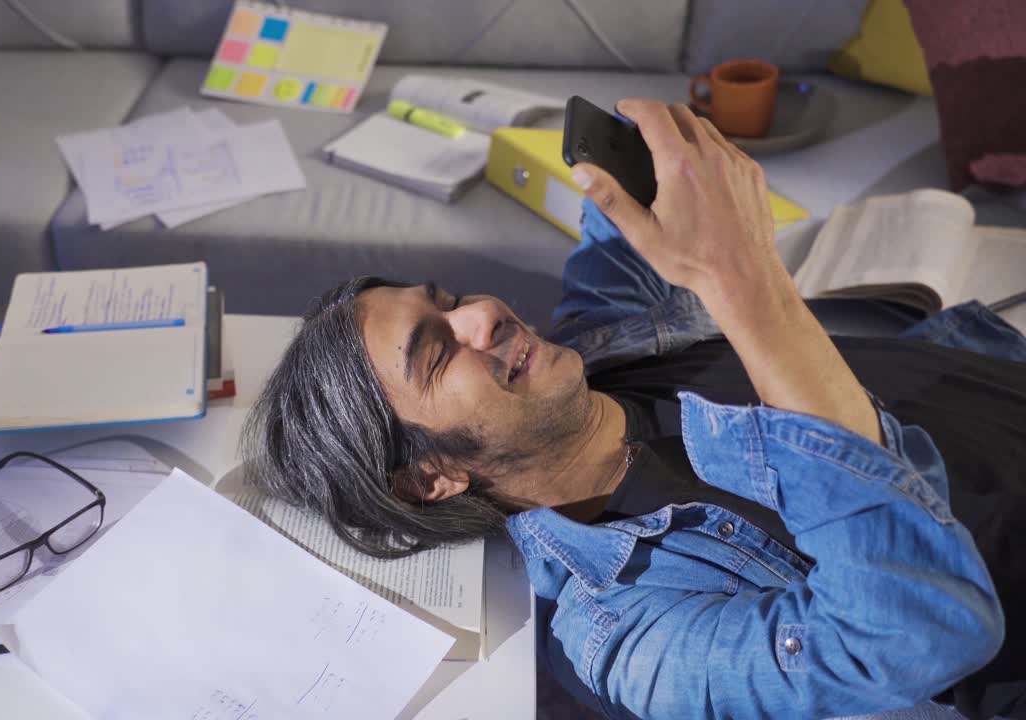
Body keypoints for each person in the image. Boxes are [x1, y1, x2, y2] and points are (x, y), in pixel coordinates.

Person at [243, 99, 1026, 720]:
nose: (481, 314)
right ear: (428, 477)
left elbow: (621, 195)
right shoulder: (625, 635)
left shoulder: (604, 345)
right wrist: (744, 284)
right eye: (439, 351)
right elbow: (920, 628)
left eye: (447, 301)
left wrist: (640, 145)